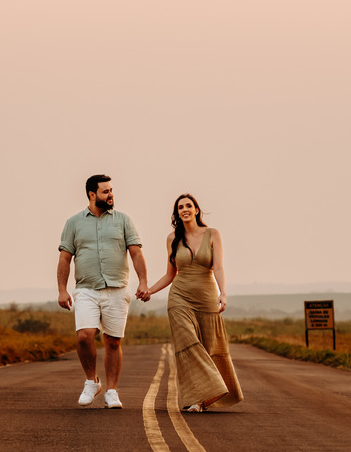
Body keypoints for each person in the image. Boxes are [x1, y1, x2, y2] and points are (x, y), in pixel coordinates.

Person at [142, 194, 243, 412]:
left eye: (188, 205)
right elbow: (170, 274)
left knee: (210, 346)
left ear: (197, 210)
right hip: (179, 298)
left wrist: (223, 293)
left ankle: (208, 396)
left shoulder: (212, 234)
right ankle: (197, 398)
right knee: (189, 344)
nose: (184, 209)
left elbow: (219, 267)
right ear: (177, 213)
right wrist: (150, 290)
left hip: (207, 297)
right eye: (180, 207)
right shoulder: (172, 239)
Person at [57, 174, 150, 409]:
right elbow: (65, 258)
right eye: (105, 191)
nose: (111, 195)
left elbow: (136, 253)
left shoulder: (123, 220)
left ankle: (111, 391)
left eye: (111, 190)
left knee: (112, 342)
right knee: (84, 336)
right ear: (92, 195)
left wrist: (143, 282)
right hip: (86, 289)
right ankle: (91, 381)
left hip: (117, 289)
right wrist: (62, 290)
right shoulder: (74, 223)